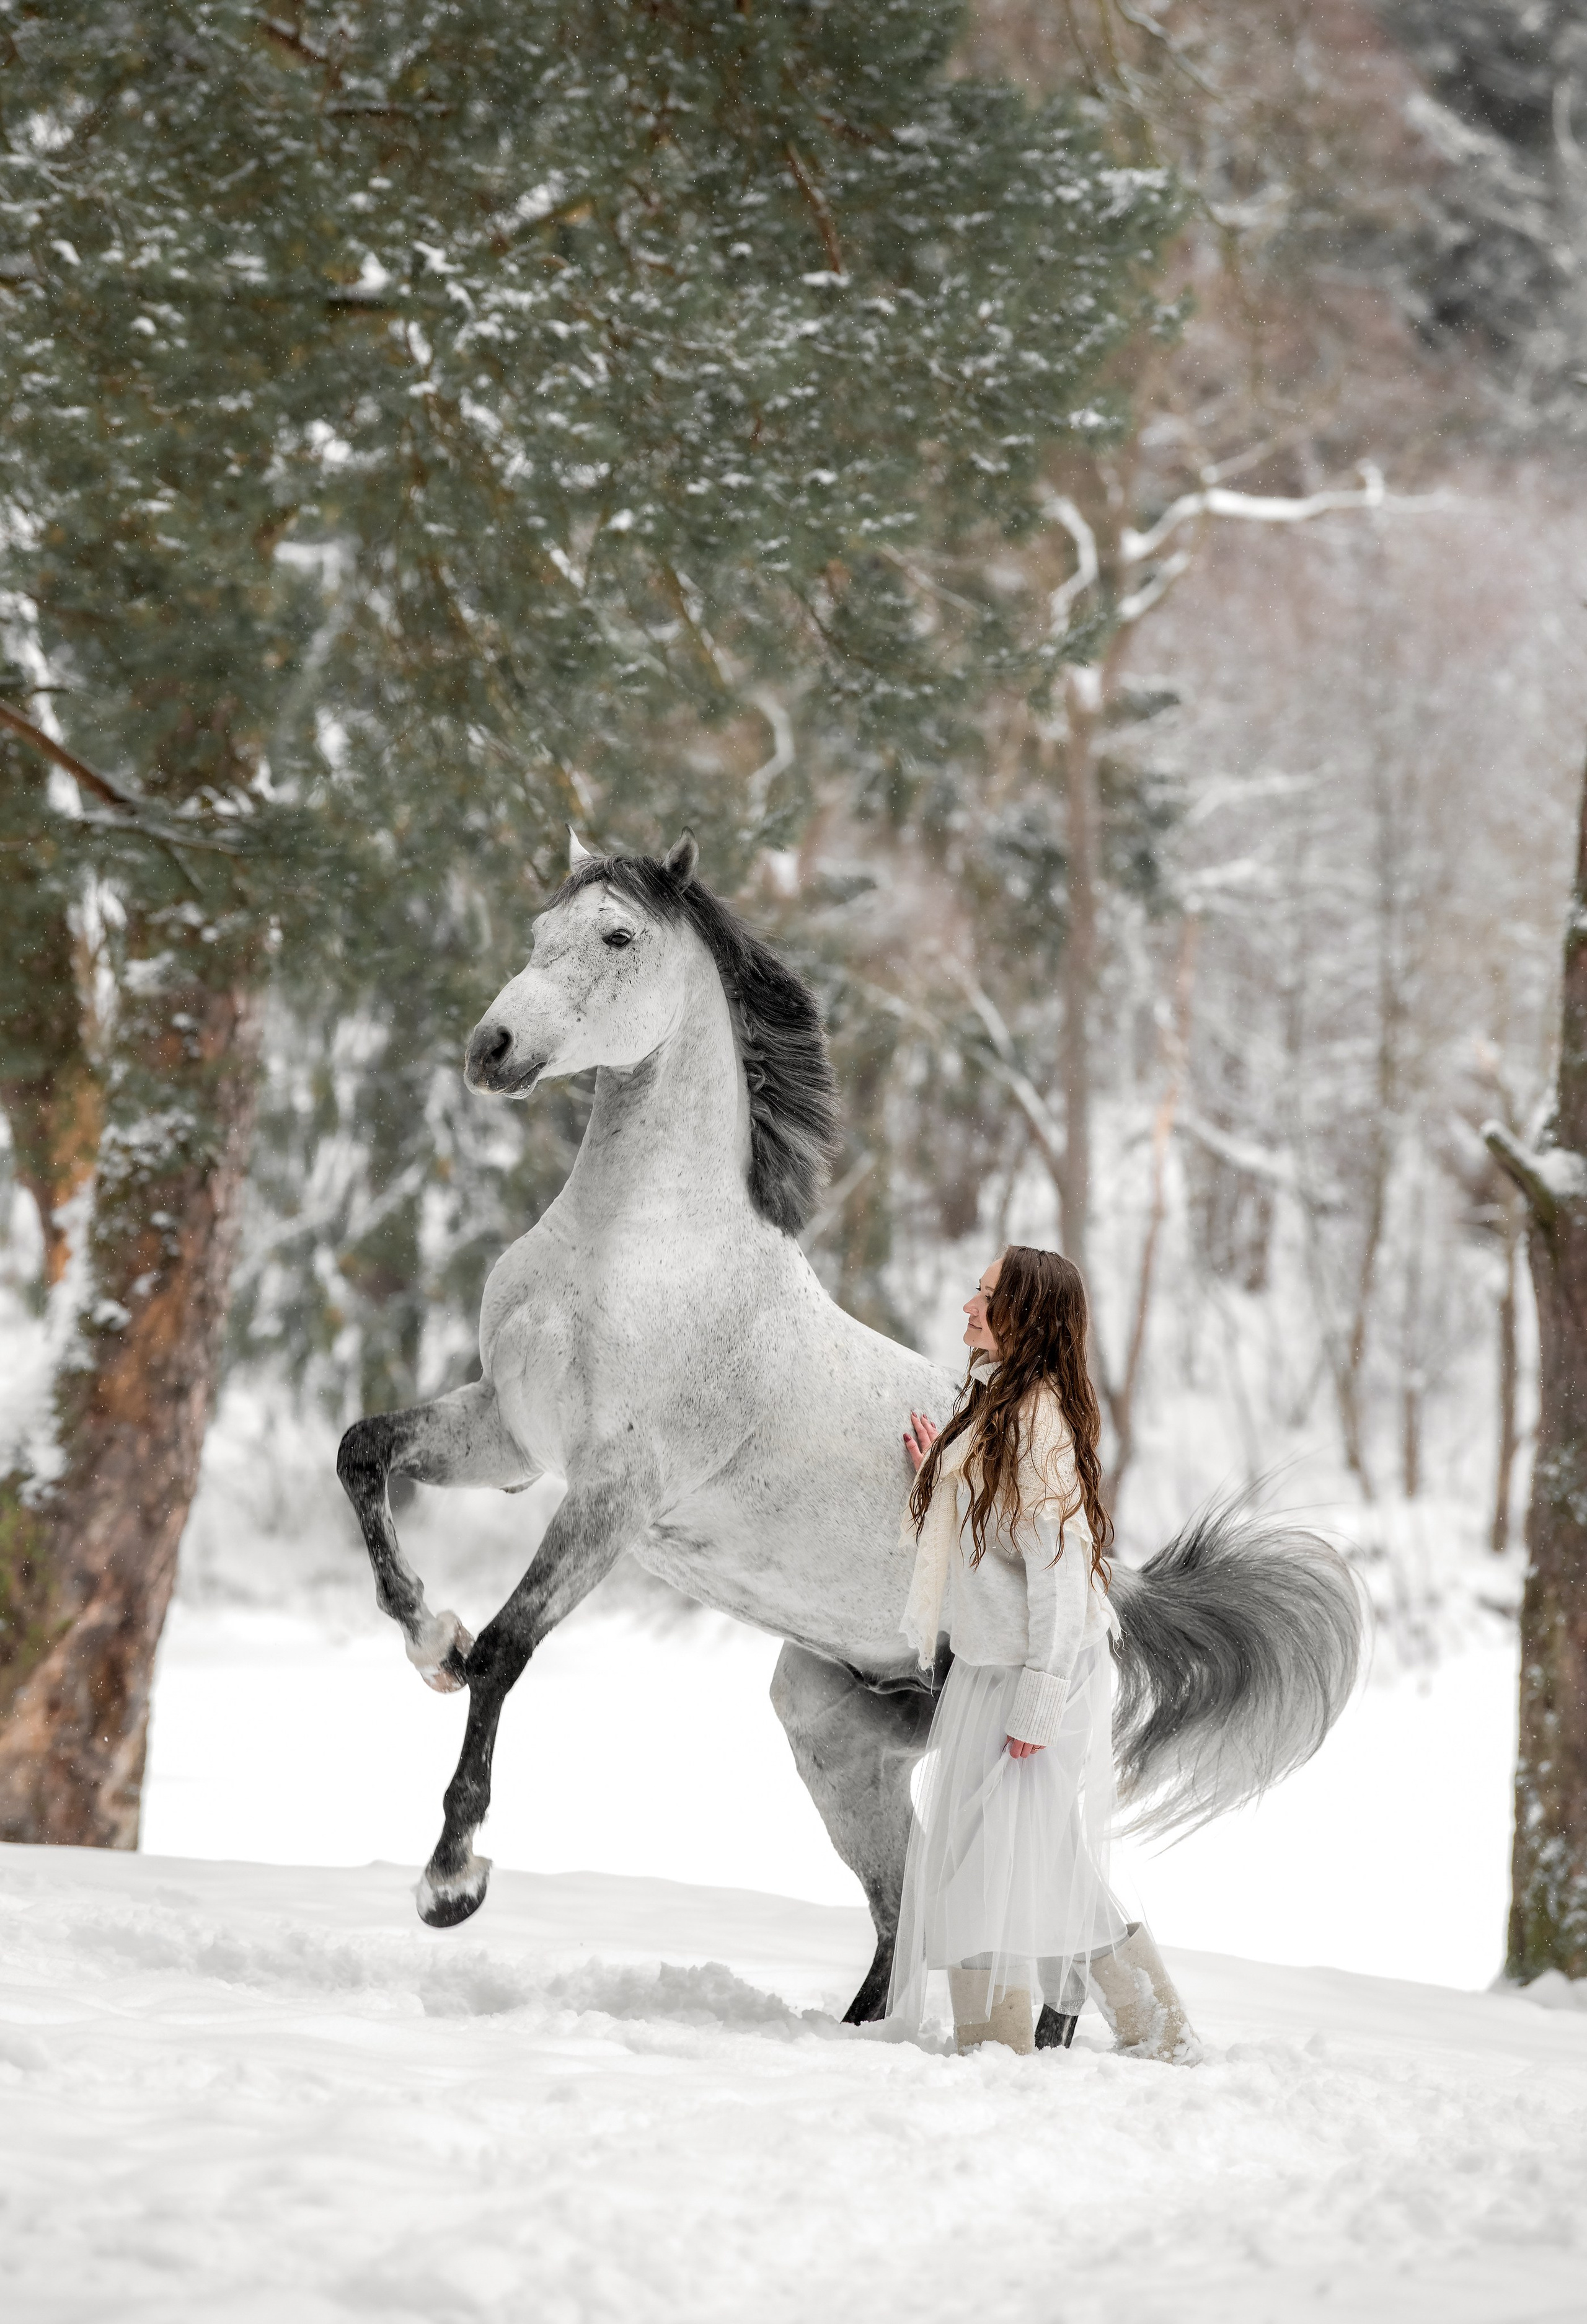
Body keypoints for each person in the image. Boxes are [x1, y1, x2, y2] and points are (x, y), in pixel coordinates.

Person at [890, 1244, 1197, 2062]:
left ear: (1025, 1316)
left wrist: (1040, 1699)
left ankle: (994, 2044)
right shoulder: (997, 1400)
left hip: (1042, 1671)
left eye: (985, 1298)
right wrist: (938, 1476)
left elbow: (1061, 1579)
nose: (967, 1308)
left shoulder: (1038, 1422)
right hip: (1001, 1664)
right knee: (1031, 1854)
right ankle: (1154, 2029)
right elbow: (993, 1537)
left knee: (992, 1857)